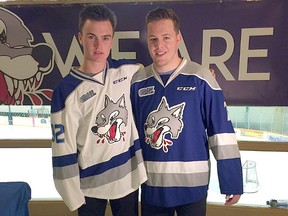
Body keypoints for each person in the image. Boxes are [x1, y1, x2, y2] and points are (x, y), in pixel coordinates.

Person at [130, 7, 243, 216]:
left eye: (166, 37)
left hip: (193, 187)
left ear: (178, 38)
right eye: (153, 39)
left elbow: (221, 131)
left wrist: (232, 180)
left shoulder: (201, 78)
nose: (159, 45)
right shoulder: (137, 81)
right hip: (153, 188)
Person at [50, 4, 147, 216]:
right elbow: (62, 149)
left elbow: (163, 73)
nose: (98, 45)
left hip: (128, 182)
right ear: (80, 38)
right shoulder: (66, 91)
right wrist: (72, 196)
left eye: (105, 38)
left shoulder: (130, 71)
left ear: (112, 40)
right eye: (91, 37)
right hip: (89, 188)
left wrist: (205, 72)